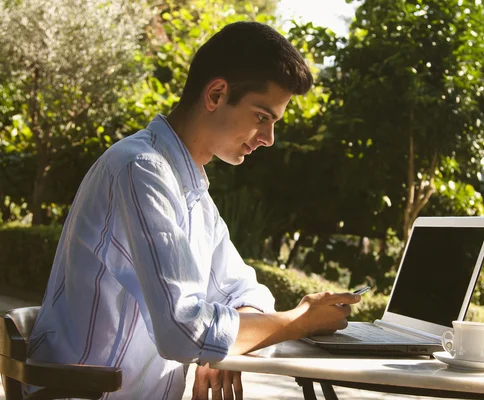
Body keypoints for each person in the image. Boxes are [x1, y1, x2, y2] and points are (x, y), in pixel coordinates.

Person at [27, 21, 361, 400]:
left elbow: (243, 289)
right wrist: (297, 321)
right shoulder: (141, 169)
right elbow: (182, 331)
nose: (269, 139)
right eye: (262, 117)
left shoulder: (192, 192)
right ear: (217, 94)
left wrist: (218, 346)